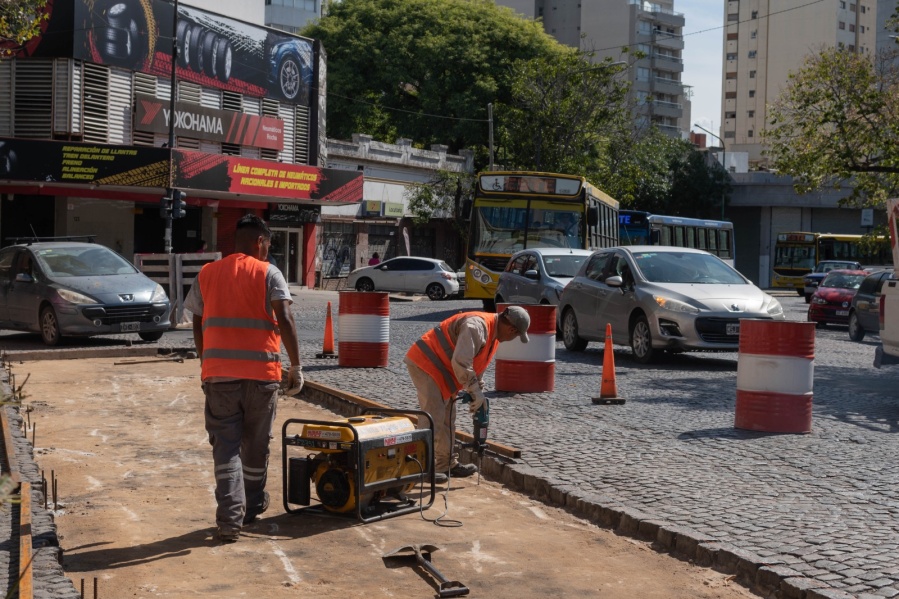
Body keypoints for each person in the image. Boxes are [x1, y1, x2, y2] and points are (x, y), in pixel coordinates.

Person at [184, 214, 303, 543]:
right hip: (262, 378)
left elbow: (197, 318)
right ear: (260, 242)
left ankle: (229, 519)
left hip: (219, 378)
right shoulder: (269, 272)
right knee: (255, 446)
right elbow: (287, 317)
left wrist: (204, 358)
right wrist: (296, 366)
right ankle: (250, 507)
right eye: (268, 245)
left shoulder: (208, 273)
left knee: (226, 448)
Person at [404, 306, 530, 484]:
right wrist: (474, 391)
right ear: (511, 329)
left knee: (448, 417)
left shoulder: (492, 335)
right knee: (433, 417)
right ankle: (421, 467)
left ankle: (445, 464)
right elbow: (462, 361)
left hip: (443, 370)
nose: (512, 339)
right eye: (515, 336)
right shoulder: (476, 327)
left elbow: (476, 364)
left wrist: (476, 389)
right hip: (427, 363)